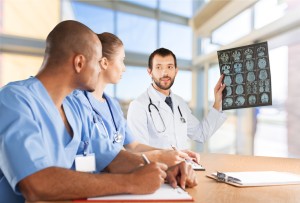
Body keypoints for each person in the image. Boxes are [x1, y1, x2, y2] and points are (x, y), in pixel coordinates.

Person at [0, 21, 197, 203]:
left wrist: (165, 170)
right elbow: (36, 183)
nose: (100, 68)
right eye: (97, 62)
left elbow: (113, 157)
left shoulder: (75, 109)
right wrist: (131, 183)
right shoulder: (14, 100)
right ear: (79, 63)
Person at [73, 32, 200, 167]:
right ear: (104, 62)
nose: (124, 68)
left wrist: (174, 154)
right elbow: (85, 160)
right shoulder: (77, 103)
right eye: (121, 60)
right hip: (95, 181)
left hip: (118, 178)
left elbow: (132, 146)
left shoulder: (113, 106)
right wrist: (158, 157)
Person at [127, 48, 227, 150]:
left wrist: (217, 103)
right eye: (158, 67)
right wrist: (171, 156)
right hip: (158, 166)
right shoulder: (138, 105)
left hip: (183, 164)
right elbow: (137, 151)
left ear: (176, 71)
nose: (165, 73)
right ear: (150, 72)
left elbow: (201, 134)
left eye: (169, 67)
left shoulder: (180, 103)